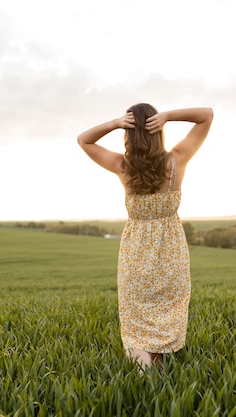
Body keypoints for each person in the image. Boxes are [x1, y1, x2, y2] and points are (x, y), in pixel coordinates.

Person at [77, 104, 213, 371]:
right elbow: (206, 115)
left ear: (128, 134)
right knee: (164, 317)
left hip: (135, 256)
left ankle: (143, 378)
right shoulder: (177, 160)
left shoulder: (122, 166)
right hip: (170, 254)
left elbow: (84, 139)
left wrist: (114, 123)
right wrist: (169, 117)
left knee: (137, 322)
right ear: (157, 130)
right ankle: (157, 379)